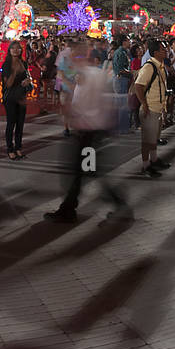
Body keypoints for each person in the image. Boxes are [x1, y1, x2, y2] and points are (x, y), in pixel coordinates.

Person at [47, 43, 127, 224]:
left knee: (84, 171)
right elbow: (107, 103)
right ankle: (71, 207)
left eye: (77, 56)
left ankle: (71, 209)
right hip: (94, 132)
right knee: (88, 170)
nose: (74, 60)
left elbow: (78, 104)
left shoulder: (85, 76)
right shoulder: (97, 75)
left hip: (87, 132)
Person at [131, 41, 173, 176]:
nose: (166, 51)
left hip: (158, 108)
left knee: (154, 137)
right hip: (150, 109)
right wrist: (144, 104)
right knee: (147, 139)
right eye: (163, 49)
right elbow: (138, 86)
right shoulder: (149, 67)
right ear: (156, 52)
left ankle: (154, 159)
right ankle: (145, 165)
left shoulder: (160, 66)